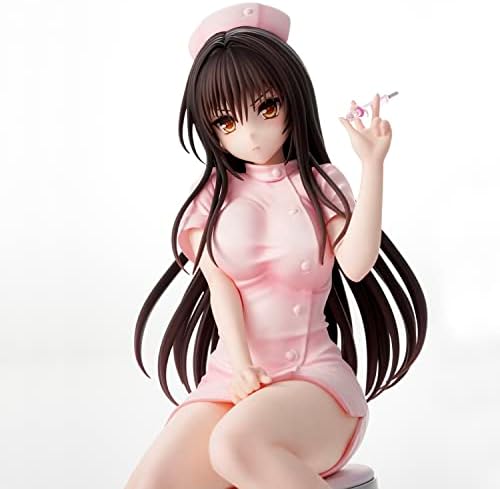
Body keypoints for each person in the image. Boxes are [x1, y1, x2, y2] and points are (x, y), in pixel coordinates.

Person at [126, 3, 427, 489]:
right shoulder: (211, 200)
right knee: (151, 483)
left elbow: (356, 265)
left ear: (292, 98)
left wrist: (372, 166)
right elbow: (221, 289)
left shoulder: (319, 185)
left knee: (235, 445)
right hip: (233, 380)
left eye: (266, 108)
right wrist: (242, 367)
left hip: (313, 383)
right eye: (227, 122)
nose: (250, 134)